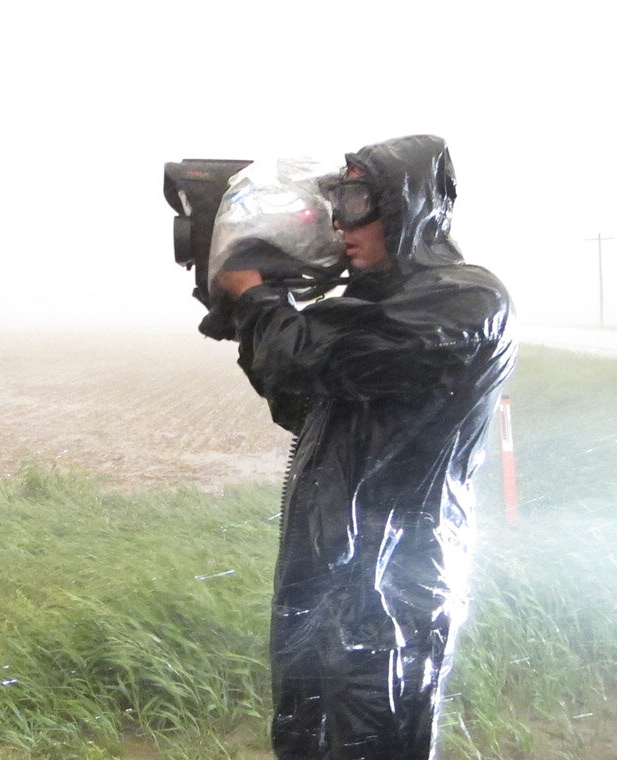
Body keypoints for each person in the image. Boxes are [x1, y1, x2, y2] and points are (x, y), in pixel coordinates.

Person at [213, 135, 516, 760]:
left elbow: (310, 363)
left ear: (409, 209)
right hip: (329, 579)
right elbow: (296, 398)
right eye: (334, 200)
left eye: (356, 200)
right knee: (306, 742)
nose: (339, 223)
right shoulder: (370, 307)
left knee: (373, 743)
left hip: (392, 594)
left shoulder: (464, 301)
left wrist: (256, 296)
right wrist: (256, 305)